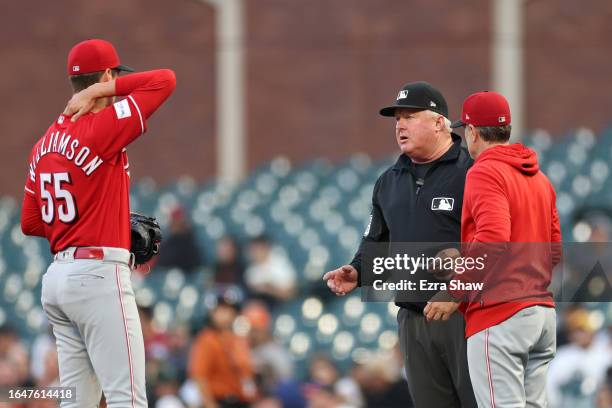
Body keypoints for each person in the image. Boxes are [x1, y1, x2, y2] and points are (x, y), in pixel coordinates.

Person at [20, 38, 176, 407]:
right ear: (107, 75)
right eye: (113, 77)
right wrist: (105, 90)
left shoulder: (43, 143)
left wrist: (89, 221)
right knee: (128, 400)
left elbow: (30, 222)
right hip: (97, 276)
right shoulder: (102, 127)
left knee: (78, 403)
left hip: (58, 280)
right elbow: (165, 80)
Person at [323, 81, 477, 407]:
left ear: (439, 122)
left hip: (464, 313)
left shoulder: (472, 174)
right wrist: (358, 271)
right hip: (412, 318)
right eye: (397, 119)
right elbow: (375, 240)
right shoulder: (388, 181)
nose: (400, 125)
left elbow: (492, 244)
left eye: (410, 116)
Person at [425, 91, 561, 407]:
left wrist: (455, 290)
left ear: (472, 131)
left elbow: (494, 237)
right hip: (540, 316)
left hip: (501, 317)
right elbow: (553, 251)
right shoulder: (539, 178)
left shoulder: (485, 170)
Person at [188, 296, 257, 408]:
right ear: (212, 314)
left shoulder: (239, 340)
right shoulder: (207, 340)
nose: (225, 315)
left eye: (229, 311)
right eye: (220, 310)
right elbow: (199, 377)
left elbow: (247, 376)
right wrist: (210, 404)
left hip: (242, 401)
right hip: (220, 401)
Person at [245, 235, 297, 305]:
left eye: (258, 249)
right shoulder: (250, 271)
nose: (255, 253)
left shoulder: (280, 263)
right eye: (253, 250)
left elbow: (291, 292)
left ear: (266, 248)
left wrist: (269, 288)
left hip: (284, 305)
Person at [156, 205, 203, 273]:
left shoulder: (193, 242)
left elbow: (196, 264)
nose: (179, 224)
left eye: (182, 222)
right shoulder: (167, 245)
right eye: (176, 222)